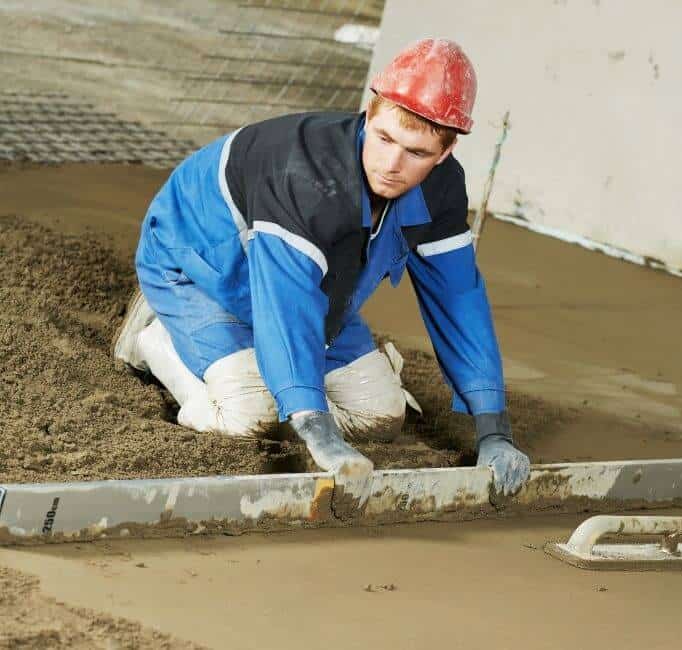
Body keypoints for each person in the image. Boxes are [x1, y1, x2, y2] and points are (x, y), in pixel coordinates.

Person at [113, 38, 530, 500]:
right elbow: (286, 303)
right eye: (385, 138)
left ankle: (257, 372)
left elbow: (458, 299)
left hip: (315, 285)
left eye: (415, 153)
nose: (391, 165)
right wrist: (316, 427)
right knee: (251, 415)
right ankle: (157, 337)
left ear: (445, 153)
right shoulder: (303, 175)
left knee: (382, 414)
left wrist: (494, 430)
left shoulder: (443, 190)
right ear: (370, 115)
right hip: (201, 268)